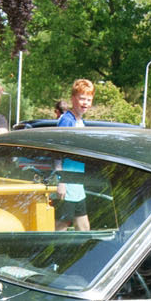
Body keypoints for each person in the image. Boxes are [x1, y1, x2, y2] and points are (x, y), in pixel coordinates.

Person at [53, 79, 95, 230]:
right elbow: (57, 153)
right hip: (67, 183)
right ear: (73, 98)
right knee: (60, 227)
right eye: (82, 98)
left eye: (89, 100)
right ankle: (48, 253)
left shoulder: (81, 122)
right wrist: (61, 182)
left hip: (77, 184)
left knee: (84, 228)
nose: (85, 103)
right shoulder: (66, 121)